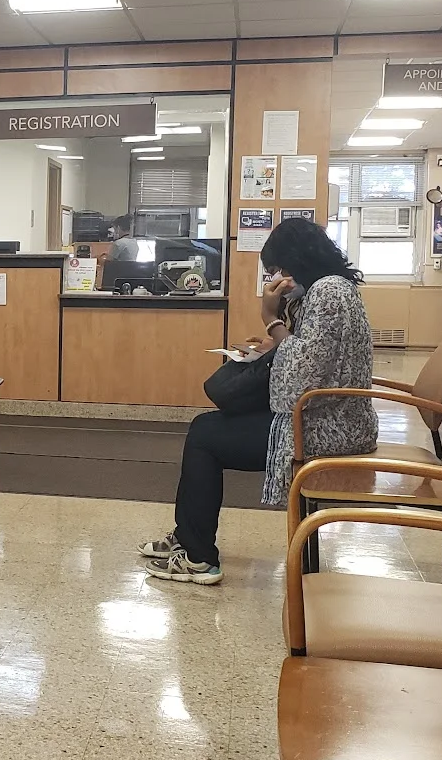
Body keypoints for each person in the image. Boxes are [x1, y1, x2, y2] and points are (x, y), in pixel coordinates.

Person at [139, 218, 378, 585]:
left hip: (330, 427)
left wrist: (270, 320)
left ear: (298, 259)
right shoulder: (333, 287)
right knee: (208, 427)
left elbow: (301, 375)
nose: (277, 278)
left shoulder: (328, 292)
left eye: (279, 268)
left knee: (204, 436)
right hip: (332, 414)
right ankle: (189, 537)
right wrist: (276, 343)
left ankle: (197, 556)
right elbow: (311, 358)